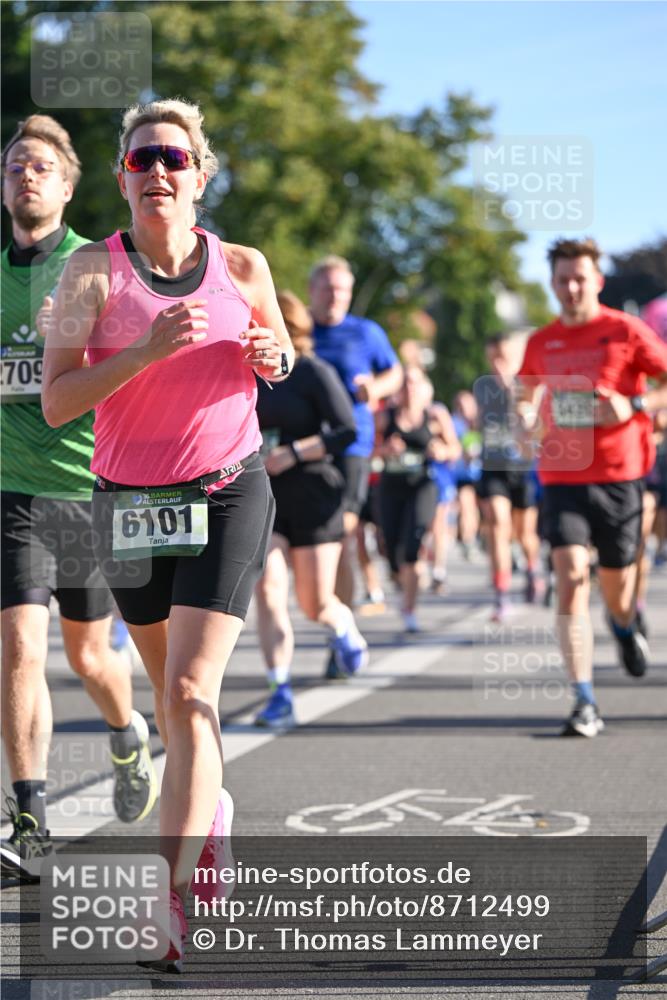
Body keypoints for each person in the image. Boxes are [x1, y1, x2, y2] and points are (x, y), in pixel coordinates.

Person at [41, 99, 293, 972]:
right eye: (142, 158)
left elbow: (282, 357)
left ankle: (169, 906)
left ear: (199, 174)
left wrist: (273, 358)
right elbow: (58, 400)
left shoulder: (245, 264)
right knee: (172, 704)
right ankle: (212, 811)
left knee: (189, 692)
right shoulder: (86, 278)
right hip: (128, 503)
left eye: (174, 159)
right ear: (120, 177)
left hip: (228, 490)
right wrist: (143, 353)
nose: (158, 171)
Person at [0, 116, 155, 880]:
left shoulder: (97, 269)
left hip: (88, 485)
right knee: (22, 646)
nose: (25, 176)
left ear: (66, 186)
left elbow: (142, 369)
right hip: (13, 490)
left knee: (89, 655)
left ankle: (127, 730)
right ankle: (30, 817)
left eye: (40, 167)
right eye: (13, 167)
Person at [517, 237, 667, 737]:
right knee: (569, 574)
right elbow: (523, 393)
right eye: (563, 279)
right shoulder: (542, 341)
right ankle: (583, 698)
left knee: (616, 590)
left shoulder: (625, 330)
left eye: (580, 277)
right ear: (553, 284)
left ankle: (625, 625)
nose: (572, 287)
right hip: (561, 477)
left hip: (620, 477)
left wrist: (638, 406)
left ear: (597, 280)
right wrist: (520, 418)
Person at [254, 290, 365, 726]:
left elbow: (346, 431)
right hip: (266, 497)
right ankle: (278, 689)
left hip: (315, 495)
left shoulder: (312, 371)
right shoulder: (245, 374)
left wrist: (296, 453)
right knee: (268, 590)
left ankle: (342, 627)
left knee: (315, 603)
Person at [308, 257, 402, 668]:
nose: (336, 297)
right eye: (328, 289)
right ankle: (337, 622)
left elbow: (395, 374)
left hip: (351, 447)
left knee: (340, 537)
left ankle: (337, 634)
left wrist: (374, 387)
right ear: (313, 291)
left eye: (343, 290)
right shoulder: (299, 330)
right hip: (305, 447)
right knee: (312, 546)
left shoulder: (366, 332)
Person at [376, 366, 461, 632]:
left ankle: (409, 609)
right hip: (390, 487)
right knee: (389, 547)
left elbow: (455, 449)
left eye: (415, 383)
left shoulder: (435, 416)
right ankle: (402, 578)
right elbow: (365, 449)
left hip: (423, 487)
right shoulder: (383, 417)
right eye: (405, 384)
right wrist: (385, 450)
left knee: (414, 542)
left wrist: (442, 451)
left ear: (425, 389)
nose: (409, 389)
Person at [475, 332, 544, 621]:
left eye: (503, 357)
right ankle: (502, 595)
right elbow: (479, 422)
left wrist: (514, 396)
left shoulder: (527, 386)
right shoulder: (482, 387)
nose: (498, 364)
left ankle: (532, 568)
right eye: (493, 358)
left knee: (525, 533)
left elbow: (534, 425)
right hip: (493, 467)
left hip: (522, 468)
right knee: (498, 525)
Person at [450, 390, 482, 560]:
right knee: (466, 505)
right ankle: (468, 540)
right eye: (461, 404)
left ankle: (479, 537)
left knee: (482, 510)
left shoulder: (481, 422)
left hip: (482, 474)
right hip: (462, 474)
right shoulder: (453, 424)